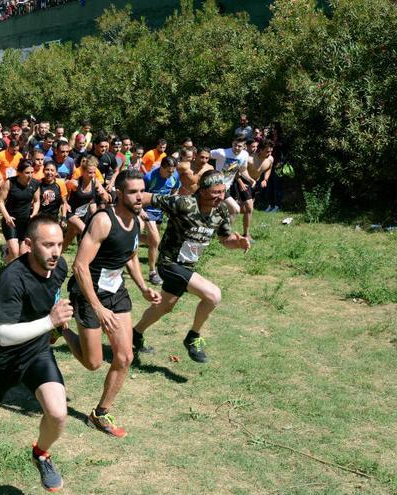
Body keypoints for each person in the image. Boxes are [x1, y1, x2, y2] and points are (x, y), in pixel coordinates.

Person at [0, 215, 73, 492]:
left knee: (57, 413)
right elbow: (4, 335)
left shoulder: (59, 266)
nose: (56, 252)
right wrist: (50, 322)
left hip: (37, 352)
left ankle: (41, 453)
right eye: (48, 245)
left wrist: (57, 316)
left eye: (59, 244)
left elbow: (52, 294)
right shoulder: (11, 278)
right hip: (2, 358)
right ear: (29, 245)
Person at [57, 169, 161, 438]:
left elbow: (130, 256)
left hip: (117, 291)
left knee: (125, 356)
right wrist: (98, 308)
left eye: (141, 191)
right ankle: (62, 330)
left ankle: (100, 413)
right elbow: (80, 267)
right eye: (132, 192)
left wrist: (142, 287)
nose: (139, 197)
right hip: (89, 292)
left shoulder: (137, 220)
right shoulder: (103, 221)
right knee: (92, 363)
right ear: (119, 193)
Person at [132, 171, 251, 363]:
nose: (221, 197)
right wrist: (125, 207)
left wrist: (239, 243)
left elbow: (225, 239)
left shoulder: (220, 211)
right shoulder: (183, 204)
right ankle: (193, 337)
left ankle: (135, 334)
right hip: (169, 264)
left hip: (187, 267)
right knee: (213, 295)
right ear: (203, 191)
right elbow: (146, 197)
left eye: (223, 192)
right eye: (215, 192)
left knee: (163, 307)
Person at [142, 156, 182, 285]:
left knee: (154, 242)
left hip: (161, 212)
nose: (171, 174)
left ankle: (132, 237)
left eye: (173, 171)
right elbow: (140, 195)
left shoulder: (174, 175)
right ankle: (153, 272)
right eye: (168, 171)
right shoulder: (149, 177)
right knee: (155, 241)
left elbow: (175, 189)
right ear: (161, 168)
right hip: (148, 211)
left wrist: (171, 202)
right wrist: (140, 211)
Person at [0, 159, 40, 263]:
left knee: (23, 255)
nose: (30, 175)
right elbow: (0, 201)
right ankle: (9, 275)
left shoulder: (35, 184)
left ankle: (9, 265)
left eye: (31, 172)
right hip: (11, 221)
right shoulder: (10, 183)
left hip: (25, 222)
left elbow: (37, 201)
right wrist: (7, 216)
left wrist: (34, 214)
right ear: (19, 173)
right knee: (15, 252)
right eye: (27, 173)